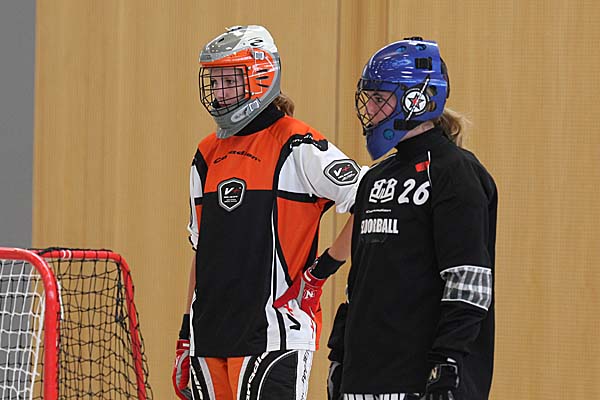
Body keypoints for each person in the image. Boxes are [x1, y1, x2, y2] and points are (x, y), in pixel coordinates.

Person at [171, 25, 366, 400]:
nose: (220, 92)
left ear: (261, 76)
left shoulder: (298, 143)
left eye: (230, 80)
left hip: (274, 336)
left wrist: (320, 272)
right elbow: (201, 250)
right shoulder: (205, 154)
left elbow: (370, 199)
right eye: (215, 81)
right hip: (207, 338)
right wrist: (185, 332)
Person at [326, 37, 497, 400]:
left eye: (380, 98)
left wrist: (447, 363)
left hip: (421, 383)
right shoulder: (373, 178)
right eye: (369, 98)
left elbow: (468, 283)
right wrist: (340, 354)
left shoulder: (455, 174)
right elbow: (361, 281)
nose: (370, 109)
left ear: (416, 99)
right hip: (363, 381)